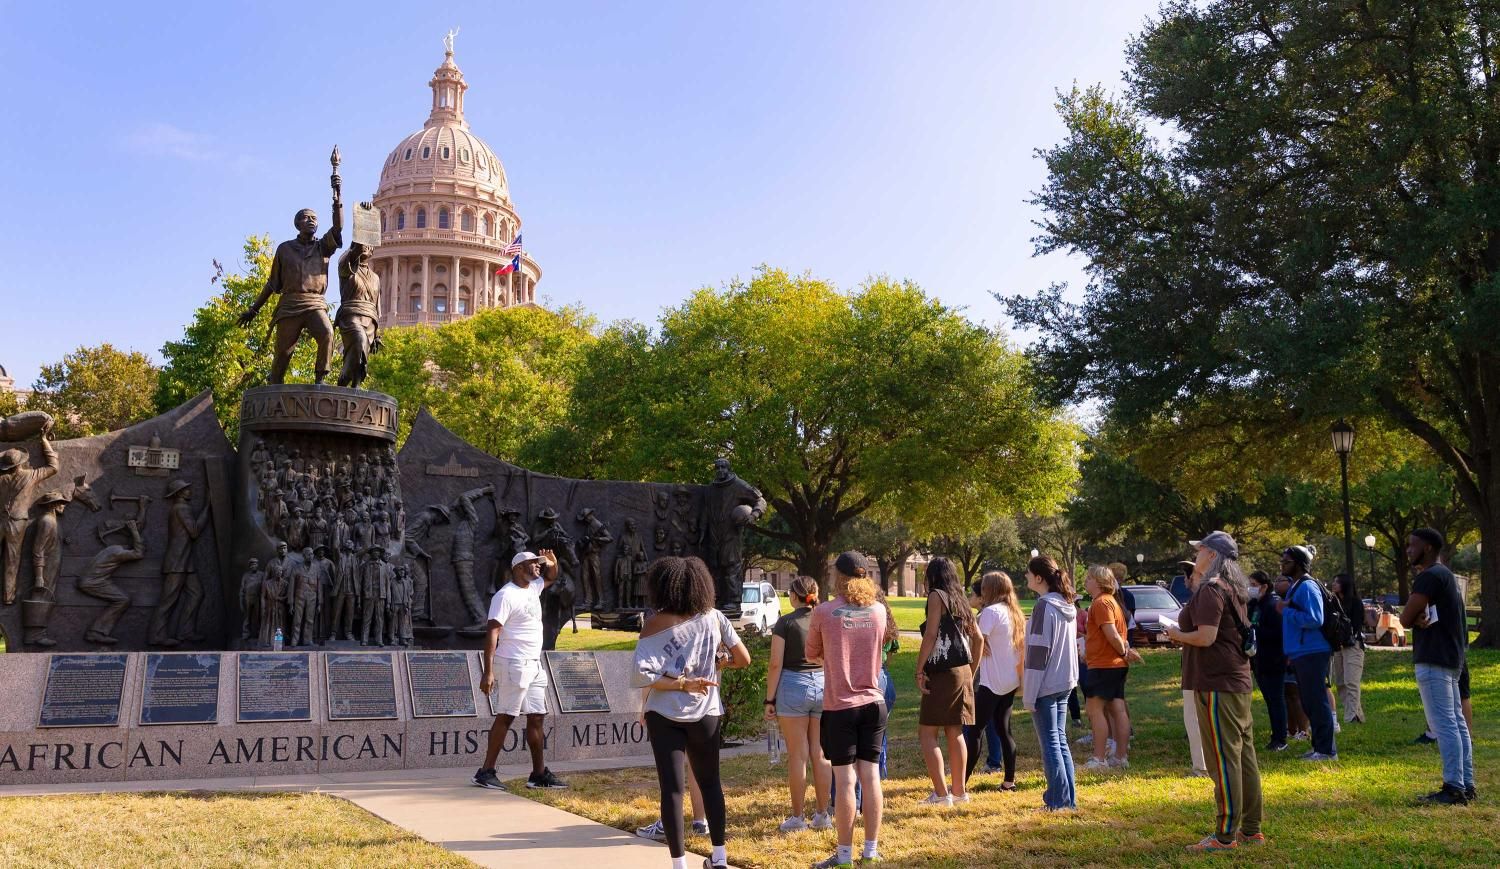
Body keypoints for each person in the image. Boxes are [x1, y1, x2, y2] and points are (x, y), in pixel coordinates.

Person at [632, 556, 750, 869]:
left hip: (664, 713)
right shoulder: (714, 617)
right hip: (706, 712)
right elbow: (743, 658)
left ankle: (679, 864)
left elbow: (641, 675)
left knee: (671, 788)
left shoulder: (655, 624)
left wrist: (682, 683)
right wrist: (719, 663)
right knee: (711, 782)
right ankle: (720, 858)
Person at [1165, 531, 1264, 852]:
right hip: (1235, 682)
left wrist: (1176, 632)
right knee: (1244, 758)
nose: (1195, 555)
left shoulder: (1211, 590)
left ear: (1211, 555)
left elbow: (1206, 637)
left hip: (1217, 683)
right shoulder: (1232, 589)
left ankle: (1225, 836)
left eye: (1200, 551)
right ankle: (1250, 830)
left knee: (1224, 760)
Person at [806, 551, 889, 869]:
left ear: (839, 576)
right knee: (870, 776)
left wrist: (834, 654)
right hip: (874, 703)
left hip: (840, 706)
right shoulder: (879, 611)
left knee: (844, 781)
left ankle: (843, 857)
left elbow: (812, 653)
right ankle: (870, 852)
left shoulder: (825, 612)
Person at [473, 550, 567, 792]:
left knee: (536, 716)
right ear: (518, 568)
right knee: (506, 715)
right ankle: (486, 772)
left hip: (533, 665)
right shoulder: (505, 596)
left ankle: (538, 774)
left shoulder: (533, 588)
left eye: (538, 564)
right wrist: (488, 671)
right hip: (513, 664)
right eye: (533, 564)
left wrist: (552, 563)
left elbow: (552, 576)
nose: (538, 567)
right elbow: (492, 633)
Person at [1400, 528, 1475, 805]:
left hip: (1434, 657)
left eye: (1413, 545)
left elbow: (1406, 618)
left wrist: (1413, 614)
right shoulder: (1446, 576)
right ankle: (1466, 784)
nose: (1408, 550)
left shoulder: (1429, 576)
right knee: (1456, 723)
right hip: (1451, 657)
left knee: (1444, 724)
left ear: (1428, 548)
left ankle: (1454, 788)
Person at [765, 576, 833, 833]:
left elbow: (775, 664)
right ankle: (822, 814)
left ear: (794, 596)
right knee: (820, 752)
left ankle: (797, 817)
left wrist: (769, 699)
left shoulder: (786, 623)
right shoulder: (825, 618)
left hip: (793, 686)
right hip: (823, 684)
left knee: (798, 754)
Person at [914, 557, 982, 806]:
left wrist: (919, 669)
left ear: (932, 576)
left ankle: (942, 795)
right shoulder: (961, 599)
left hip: (942, 671)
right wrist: (971, 673)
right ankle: (960, 791)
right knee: (955, 731)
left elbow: (931, 634)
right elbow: (979, 640)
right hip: (963, 671)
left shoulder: (936, 596)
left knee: (927, 732)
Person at [1022, 554, 1079, 811]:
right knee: (1060, 741)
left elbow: (1037, 653)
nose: (1025, 577)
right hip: (1064, 681)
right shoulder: (1066, 604)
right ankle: (1067, 800)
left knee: (1052, 744)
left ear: (1039, 578)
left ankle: (1058, 801)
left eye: (1027, 573)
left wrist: (1029, 693)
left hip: (1046, 684)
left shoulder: (1044, 606)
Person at [964, 571, 1024, 790]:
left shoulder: (990, 612)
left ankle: (961, 784)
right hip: (1010, 680)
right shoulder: (1013, 611)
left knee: (974, 731)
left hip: (992, 682)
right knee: (1003, 729)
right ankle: (1009, 781)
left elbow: (976, 639)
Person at [1277, 545, 1338, 760]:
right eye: (1282, 562)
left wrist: (1287, 610)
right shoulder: (1296, 586)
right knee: (1309, 701)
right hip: (1301, 651)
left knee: (1316, 700)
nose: (1282, 565)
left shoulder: (1307, 587)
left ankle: (1327, 751)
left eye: (1287, 562)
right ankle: (1319, 747)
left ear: (1300, 563)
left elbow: (1315, 619)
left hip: (1313, 650)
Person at [1081, 564, 1141, 770]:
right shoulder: (1113, 602)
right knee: (1117, 708)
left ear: (1098, 582)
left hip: (1104, 664)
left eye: (1089, 578)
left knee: (1094, 709)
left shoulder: (1101, 603)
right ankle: (1120, 757)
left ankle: (1099, 759)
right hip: (1114, 664)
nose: (1086, 581)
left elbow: (1111, 633)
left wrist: (1124, 652)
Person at [1248, 571, 1288, 751]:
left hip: (1273, 660)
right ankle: (1276, 736)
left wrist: (1255, 632)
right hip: (1259, 660)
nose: (1251, 588)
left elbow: (1279, 634)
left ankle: (1280, 738)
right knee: (1270, 700)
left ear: (1264, 586)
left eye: (1253, 584)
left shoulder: (1272, 605)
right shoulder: (1256, 605)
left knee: (1276, 700)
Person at [1330, 573, 1366, 724]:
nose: (1334, 584)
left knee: (1351, 681)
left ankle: (1351, 717)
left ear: (1345, 584)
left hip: (1353, 645)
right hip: (1338, 647)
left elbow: (1357, 626)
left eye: (1337, 582)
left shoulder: (1356, 602)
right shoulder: (1334, 602)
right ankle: (1356, 715)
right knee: (1340, 683)